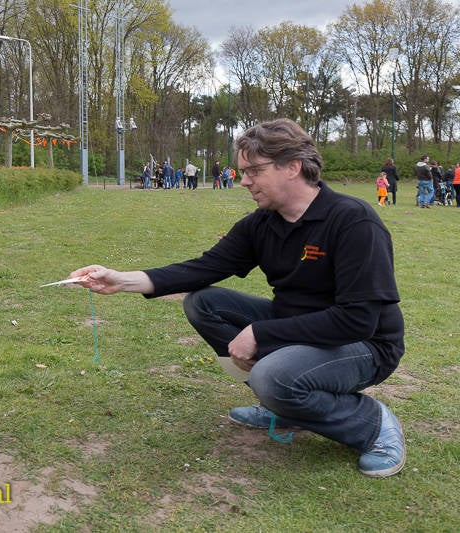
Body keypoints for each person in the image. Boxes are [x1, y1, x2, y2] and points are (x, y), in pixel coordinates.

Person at [70, 118, 406, 478]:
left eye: (254, 171)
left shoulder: (353, 222)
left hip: (364, 344)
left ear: (292, 167)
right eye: (243, 171)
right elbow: (203, 268)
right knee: (203, 304)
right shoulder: (262, 223)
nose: (244, 181)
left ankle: (371, 424)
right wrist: (121, 280)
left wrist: (261, 334)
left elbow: (357, 319)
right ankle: (286, 406)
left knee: (273, 376)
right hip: (299, 331)